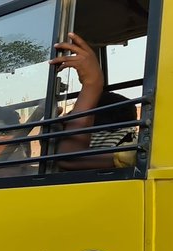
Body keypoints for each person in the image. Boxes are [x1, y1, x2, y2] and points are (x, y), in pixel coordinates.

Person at [50, 33, 139, 170]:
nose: (67, 120)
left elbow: (69, 159)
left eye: (73, 120)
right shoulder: (130, 148)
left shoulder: (134, 153)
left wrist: (92, 83)